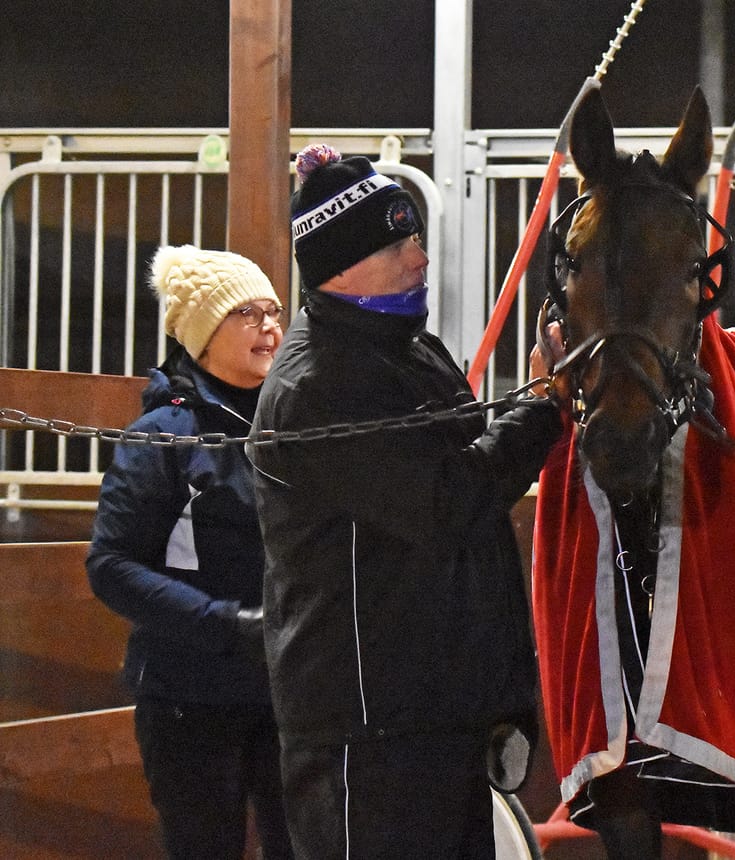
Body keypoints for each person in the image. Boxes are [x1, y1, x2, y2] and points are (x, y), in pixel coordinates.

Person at [247, 143, 565, 859]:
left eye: (415, 237)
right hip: (367, 735)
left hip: (432, 718)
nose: (419, 258)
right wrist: (544, 409)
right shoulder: (318, 383)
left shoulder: (407, 352)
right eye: (397, 244)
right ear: (339, 266)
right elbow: (445, 501)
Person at [86, 245, 292, 859]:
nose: (270, 326)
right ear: (202, 335)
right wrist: (223, 623)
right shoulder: (163, 435)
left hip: (286, 689)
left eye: (275, 310)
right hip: (189, 696)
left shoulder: (293, 420)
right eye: (247, 313)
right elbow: (111, 565)